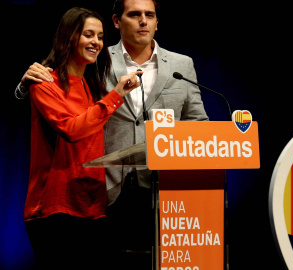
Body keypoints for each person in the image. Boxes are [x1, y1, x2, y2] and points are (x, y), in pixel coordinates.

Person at [15, 0, 209, 268]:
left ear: (157, 21)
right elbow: (64, 103)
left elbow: (198, 122)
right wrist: (23, 86)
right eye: (134, 14)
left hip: (160, 193)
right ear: (118, 21)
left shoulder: (181, 64)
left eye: (149, 15)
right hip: (104, 194)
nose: (143, 21)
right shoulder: (99, 62)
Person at [23, 6, 143, 270]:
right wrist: (117, 96)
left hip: (92, 205)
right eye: (88, 35)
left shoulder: (90, 85)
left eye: (100, 37)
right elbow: (73, 130)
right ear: (69, 36)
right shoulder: (45, 83)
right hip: (56, 208)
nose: (96, 42)